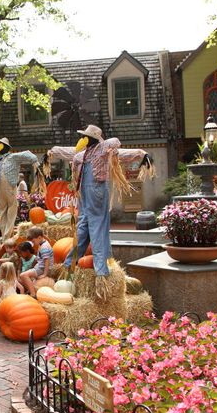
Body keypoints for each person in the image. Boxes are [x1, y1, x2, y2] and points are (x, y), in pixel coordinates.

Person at [49, 125, 153, 297]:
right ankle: (101, 275)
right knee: (96, 230)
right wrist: (141, 153)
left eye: (85, 137)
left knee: (83, 231)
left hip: (85, 194)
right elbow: (116, 143)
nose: (83, 139)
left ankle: (67, 269)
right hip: (95, 192)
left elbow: (118, 150)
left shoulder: (85, 154)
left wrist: (52, 151)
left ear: (90, 139)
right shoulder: (97, 151)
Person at [19, 226, 53, 297]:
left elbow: (47, 261)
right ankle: (32, 290)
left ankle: (33, 294)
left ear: (40, 238)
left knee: (23, 275)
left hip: (41, 269)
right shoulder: (43, 243)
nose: (33, 243)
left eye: (33, 241)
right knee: (22, 279)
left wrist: (45, 274)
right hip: (39, 267)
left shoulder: (44, 247)